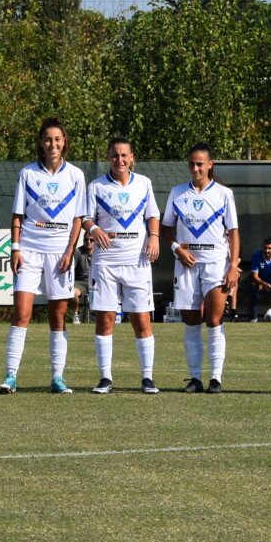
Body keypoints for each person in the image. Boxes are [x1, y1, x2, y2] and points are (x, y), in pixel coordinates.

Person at [0, 118, 88, 395]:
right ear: (40, 142)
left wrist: (69, 251)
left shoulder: (76, 175)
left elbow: (78, 218)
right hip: (29, 249)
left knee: (58, 317)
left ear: (65, 142)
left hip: (60, 253)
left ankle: (57, 378)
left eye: (58, 139)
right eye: (48, 139)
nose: (53, 144)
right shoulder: (27, 173)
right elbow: (17, 215)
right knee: (21, 313)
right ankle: (11, 376)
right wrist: (15, 249)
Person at [79, 137, 162, 394]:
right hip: (106, 262)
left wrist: (154, 237)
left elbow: (153, 215)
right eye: (115, 156)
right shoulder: (96, 186)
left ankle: (147, 378)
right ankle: (105, 378)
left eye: (124, 155)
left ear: (132, 157)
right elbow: (85, 218)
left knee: (141, 319)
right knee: (105, 319)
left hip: (137, 261)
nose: (120, 160)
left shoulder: (144, 183)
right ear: (108, 157)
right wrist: (94, 229)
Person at [161, 143, 240, 393]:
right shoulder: (177, 192)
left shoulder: (224, 194)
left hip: (216, 263)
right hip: (186, 265)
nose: (195, 168)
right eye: (192, 164)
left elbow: (234, 232)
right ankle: (195, 378)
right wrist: (177, 249)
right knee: (191, 321)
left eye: (200, 163)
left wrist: (234, 266)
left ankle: (216, 379)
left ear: (210, 164)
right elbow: (165, 229)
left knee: (214, 319)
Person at [246, 237, 271, 321]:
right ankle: (254, 317)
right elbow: (254, 276)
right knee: (254, 284)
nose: (267, 250)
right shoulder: (256, 256)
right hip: (261, 280)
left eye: (269, 248)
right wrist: (263, 283)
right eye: (265, 248)